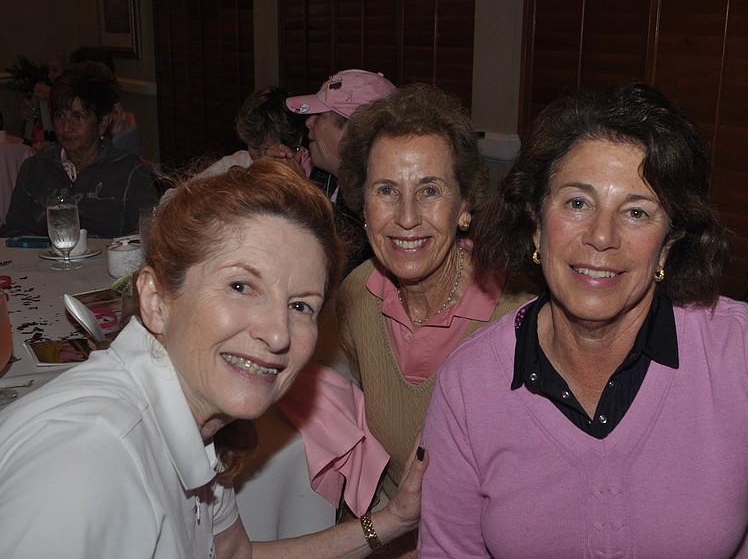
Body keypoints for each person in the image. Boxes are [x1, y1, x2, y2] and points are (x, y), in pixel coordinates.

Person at [418, 82, 748, 558]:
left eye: (637, 212)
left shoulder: (737, 355)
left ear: (669, 241)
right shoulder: (470, 384)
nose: (602, 236)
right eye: (577, 203)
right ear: (536, 221)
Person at [0, 159, 427, 558]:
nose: (278, 334)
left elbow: (233, 555)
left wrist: (392, 522)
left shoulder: (196, 425)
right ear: (154, 299)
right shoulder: (89, 463)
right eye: (241, 287)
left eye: (301, 306)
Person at [335, 83, 538, 553]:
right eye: (387, 190)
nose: (407, 217)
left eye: (430, 190)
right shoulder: (355, 297)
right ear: (363, 206)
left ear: (465, 206)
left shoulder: (519, 317)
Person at [1, 62, 157, 238]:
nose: (66, 128)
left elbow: (149, 241)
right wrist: (41, 238)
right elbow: (11, 232)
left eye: (78, 117)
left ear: (102, 123)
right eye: (60, 116)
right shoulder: (34, 168)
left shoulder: (130, 173)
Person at [287, 69, 397, 273]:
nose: (308, 121)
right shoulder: (325, 175)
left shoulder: (375, 204)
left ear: (354, 131)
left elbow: (328, 270)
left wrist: (296, 194)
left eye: (320, 115)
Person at [196, 85, 308, 180]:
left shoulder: (315, 172)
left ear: (294, 144)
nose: (261, 159)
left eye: (268, 149)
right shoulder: (239, 161)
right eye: (254, 147)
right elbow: (184, 192)